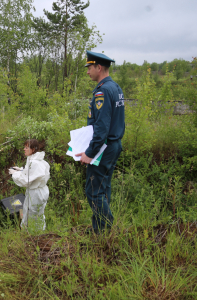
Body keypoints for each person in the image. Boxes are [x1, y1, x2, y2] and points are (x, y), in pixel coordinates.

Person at [75, 50, 125, 234]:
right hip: (113, 145)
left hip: (104, 147)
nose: (87, 71)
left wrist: (90, 153)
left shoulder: (103, 91)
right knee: (103, 189)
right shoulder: (115, 87)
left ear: (99, 67)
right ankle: (100, 228)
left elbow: (101, 128)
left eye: (89, 67)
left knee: (94, 191)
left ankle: (103, 231)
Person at [9, 139, 50, 231]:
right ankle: (40, 233)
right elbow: (32, 175)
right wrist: (20, 170)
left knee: (30, 214)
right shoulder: (41, 161)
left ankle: (30, 235)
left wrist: (14, 174)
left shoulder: (34, 163)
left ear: (33, 149)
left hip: (35, 193)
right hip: (42, 190)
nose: (24, 149)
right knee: (39, 214)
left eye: (26, 147)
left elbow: (26, 180)